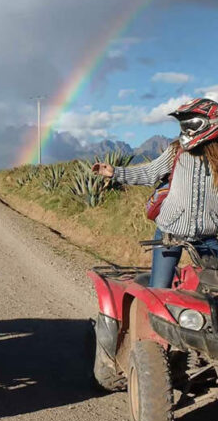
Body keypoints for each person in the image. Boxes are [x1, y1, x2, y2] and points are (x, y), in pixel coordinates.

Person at [93, 97, 218, 288]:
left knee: (213, 291)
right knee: (159, 290)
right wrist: (115, 172)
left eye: (191, 123)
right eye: (184, 124)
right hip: (169, 233)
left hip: (207, 237)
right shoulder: (176, 151)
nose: (186, 129)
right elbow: (150, 173)